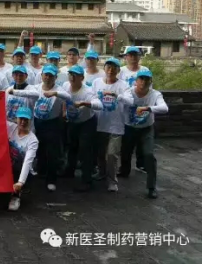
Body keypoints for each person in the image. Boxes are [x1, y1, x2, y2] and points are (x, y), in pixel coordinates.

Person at [119, 68, 168, 199]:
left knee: (149, 154)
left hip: (146, 129)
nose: (144, 82)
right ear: (136, 81)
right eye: (141, 79)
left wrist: (148, 108)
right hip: (129, 127)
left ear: (150, 81)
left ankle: (151, 187)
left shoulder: (155, 94)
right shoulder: (129, 92)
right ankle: (124, 171)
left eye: (147, 79)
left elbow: (164, 108)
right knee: (125, 152)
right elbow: (126, 100)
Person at [91, 57, 129, 193]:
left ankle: (112, 181)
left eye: (114, 68)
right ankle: (102, 173)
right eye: (108, 67)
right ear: (104, 68)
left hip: (116, 126)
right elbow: (92, 97)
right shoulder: (96, 82)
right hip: (100, 123)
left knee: (112, 154)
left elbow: (129, 101)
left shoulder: (123, 85)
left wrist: (116, 95)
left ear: (118, 70)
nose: (111, 70)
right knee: (100, 153)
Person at [32, 64, 72, 192]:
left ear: (55, 77)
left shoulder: (59, 90)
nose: (48, 78)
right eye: (46, 75)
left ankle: (51, 179)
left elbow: (68, 97)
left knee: (52, 152)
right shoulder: (36, 88)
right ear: (42, 75)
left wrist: (55, 93)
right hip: (37, 122)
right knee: (39, 149)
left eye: (51, 75)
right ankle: (41, 172)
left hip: (52, 123)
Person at [62, 65, 102, 191]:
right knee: (72, 147)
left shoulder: (87, 91)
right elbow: (62, 98)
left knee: (85, 150)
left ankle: (87, 180)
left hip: (87, 122)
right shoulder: (65, 86)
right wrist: (64, 111)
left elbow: (99, 105)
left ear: (82, 78)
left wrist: (85, 103)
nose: (72, 77)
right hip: (73, 121)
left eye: (75, 75)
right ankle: (70, 170)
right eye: (71, 74)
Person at [119, 46, 148, 173]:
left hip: (141, 107)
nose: (133, 57)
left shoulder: (145, 70)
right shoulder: (121, 71)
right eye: (130, 55)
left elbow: (149, 88)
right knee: (127, 141)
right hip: (125, 109)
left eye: (135, 55)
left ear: (139, 56)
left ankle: (141, 163)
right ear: (126, 57)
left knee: (141, 139)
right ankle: (124, 168)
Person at [7, 107, 39, 211]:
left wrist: (20, 182)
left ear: (30, 120)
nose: (23, 122)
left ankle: (16, 196)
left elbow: (27, 162)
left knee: (19, 165)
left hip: (21, 168)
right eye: (21, 118)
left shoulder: (32, 140)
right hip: (9, 163)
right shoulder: (11, 127)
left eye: (26, 119)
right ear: (16, 118)